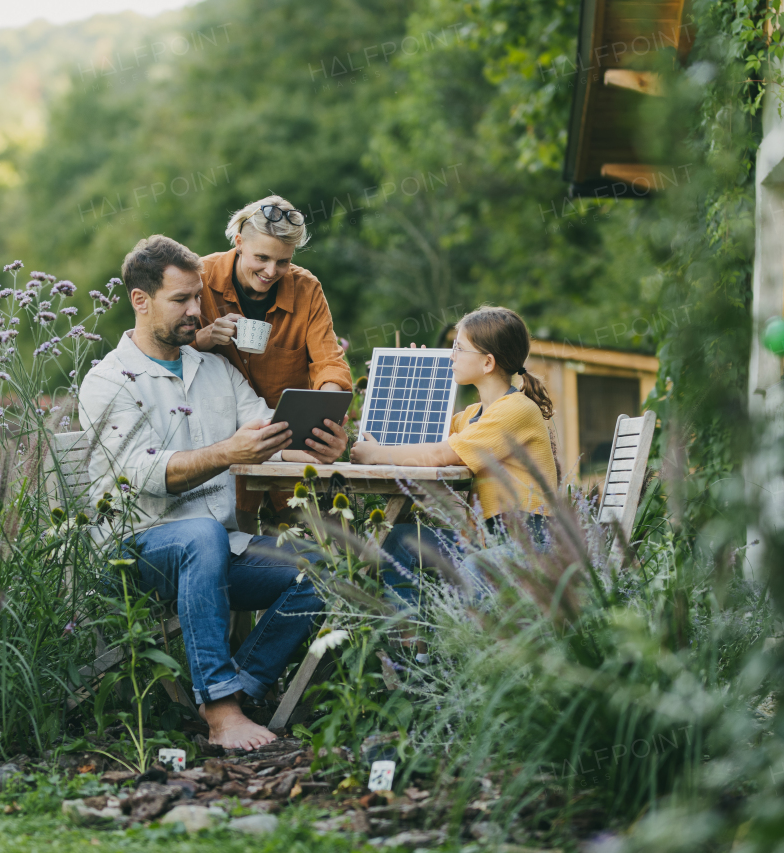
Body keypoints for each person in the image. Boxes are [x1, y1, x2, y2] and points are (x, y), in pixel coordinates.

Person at [78, 235, 349, 750]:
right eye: (180, 300)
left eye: (198, 298)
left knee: (324, 564)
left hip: (217, 551)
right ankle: (220, 712)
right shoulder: (109, 380)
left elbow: (267, 429)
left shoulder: (215, 369)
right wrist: (228, 453)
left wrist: (317, 442)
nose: (196, 311)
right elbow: (140, 474)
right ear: (141, 300)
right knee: (201, 532)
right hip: (132, 553)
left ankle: (240, 686)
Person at [349, 306, 559, 603]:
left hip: (530, 544)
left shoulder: (515, 410)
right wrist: (418, 375)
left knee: (475, 566)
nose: (451, 356)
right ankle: (410, 648)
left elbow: (440, 453)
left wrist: (375, 455)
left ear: (487, 363)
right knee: (403, 541)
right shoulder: (475, 414)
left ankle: (458, 646)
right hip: (490, 540)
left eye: (459, 348)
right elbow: (424, 433)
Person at [193, 195, 353, 533]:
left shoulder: (306, 288)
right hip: (222, 456)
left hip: (293, 450)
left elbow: (329, 363)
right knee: (239, 560)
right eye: (261, 258)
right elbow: (165, 345)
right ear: (238, 242)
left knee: (325, 551)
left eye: (283, 261)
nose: (271, 271)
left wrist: (327, 414)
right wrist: (205, 338)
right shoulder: (199, 277)